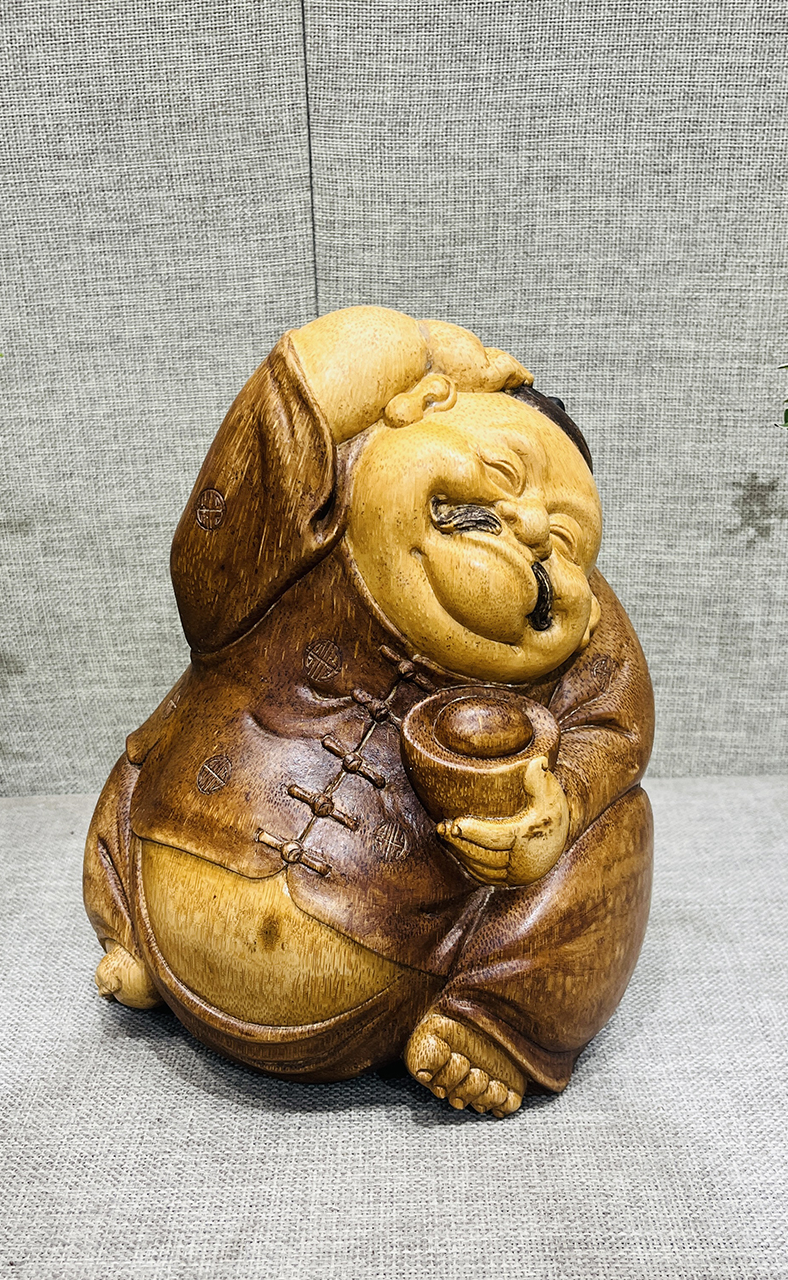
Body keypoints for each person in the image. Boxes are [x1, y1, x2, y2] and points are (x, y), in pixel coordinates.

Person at [83, 307, 654, 1117]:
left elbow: (614, 726)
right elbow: (281, 420)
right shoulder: (294, 542)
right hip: (171, 853)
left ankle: (494, 1016)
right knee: (149, 748)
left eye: (564, 543)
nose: (530, 525)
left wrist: (555, 811)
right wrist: (421, 349)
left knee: (617, 826)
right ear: (408, 415)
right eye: (504, 471)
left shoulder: (575, 643)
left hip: (401, 967)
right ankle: (139, 938)